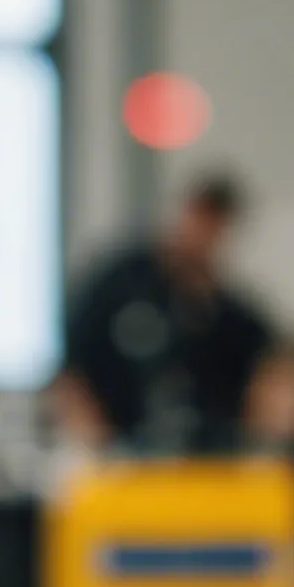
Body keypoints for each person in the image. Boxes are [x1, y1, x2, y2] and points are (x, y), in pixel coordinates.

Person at [57, 174, 278, 454]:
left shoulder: (228, 313)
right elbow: (72, 361)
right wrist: (90, 433)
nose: (202, 236)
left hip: (203, 455)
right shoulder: (119, 283)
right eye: (199, 221)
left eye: (215, 228)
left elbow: (262, 377)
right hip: (117, 447)